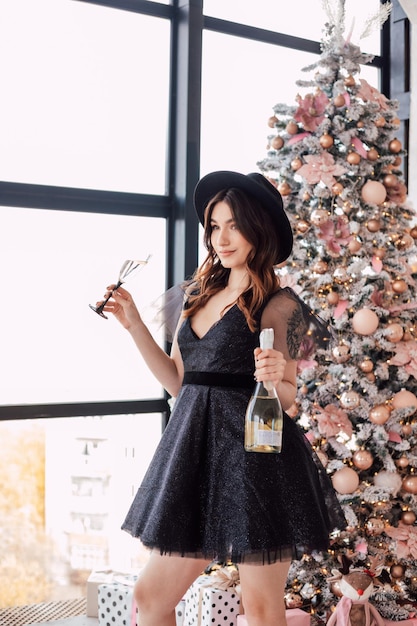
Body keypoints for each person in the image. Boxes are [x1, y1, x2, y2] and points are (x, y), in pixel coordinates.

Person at [97, 171, 346, 626]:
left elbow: (287, 397)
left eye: (234, 225)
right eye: (214, 225)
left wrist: (274, 379)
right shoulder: (194, 293)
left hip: (255, 462)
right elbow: (178, 382)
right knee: (151, 597)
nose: (221, 237)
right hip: (194, 457)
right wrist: (134, 325)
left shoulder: (278, 303)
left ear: (260, 229)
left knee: (262, 607)